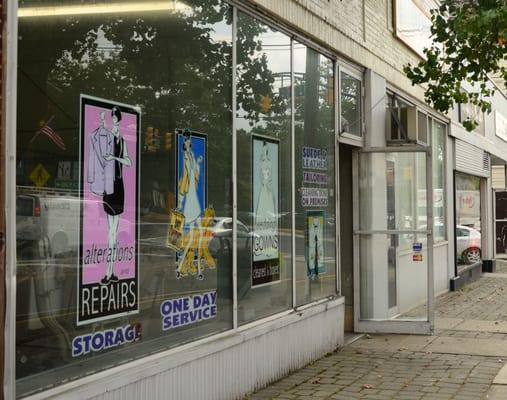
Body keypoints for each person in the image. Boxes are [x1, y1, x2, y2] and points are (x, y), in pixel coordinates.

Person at [101, 106, 131, 285]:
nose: (114, 121)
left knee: (114, 231)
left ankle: (110, 271)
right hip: (109, 185)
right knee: (110, 232)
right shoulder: (106, 137)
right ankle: (108, 271)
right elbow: (101, 159)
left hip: (119, 186)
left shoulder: (123, 140)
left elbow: (128, 161)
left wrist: (115, 158)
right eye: (112, 118)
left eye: (116, 118)